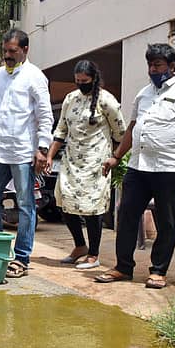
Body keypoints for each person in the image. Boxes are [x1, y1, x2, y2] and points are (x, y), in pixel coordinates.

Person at [95, 43, 175, 289]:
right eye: (150, 65)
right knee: (126, 214)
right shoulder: (143, 93)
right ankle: (123, 267)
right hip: (139, 165)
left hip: (171, 167)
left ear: (172, 66)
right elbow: (132, 128)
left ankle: (158, 270)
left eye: (157, 65)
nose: (152, 69)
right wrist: (116, 156)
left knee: (167, 220)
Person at [0, 29, 53, 278]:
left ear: (25, 50)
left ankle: (21, 258)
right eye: (5, 51)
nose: (7, 56)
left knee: (26, 204)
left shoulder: (35, 77)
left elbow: (45, 116)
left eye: (13, 51)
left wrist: (42, 149)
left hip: (23, 153)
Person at [45, 60, 126, 270]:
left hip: (96, 164)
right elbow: (60, 130)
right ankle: (79, 246)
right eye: (78, 81)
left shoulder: (107, 101)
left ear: (94, 79)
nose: (81, 84)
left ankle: (93, 253)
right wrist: (49, 156)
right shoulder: (70, 99)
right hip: (71, 161)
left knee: (92, 209)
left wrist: (115, 157)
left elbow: (121, 134)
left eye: (85, 81)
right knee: (64, 203)